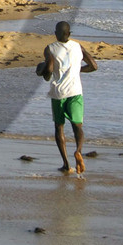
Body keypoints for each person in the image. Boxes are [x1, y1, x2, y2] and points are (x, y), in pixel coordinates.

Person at [39, 20, 97, 174]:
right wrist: (77, 70)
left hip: (58, 93)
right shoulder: (78, 47)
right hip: (75, 92)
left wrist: (43, 72)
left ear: (56, 34)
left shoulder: (50, 48)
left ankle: (66, 164)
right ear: (69, 34)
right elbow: (94, 66)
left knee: (59, 127)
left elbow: (50, 68)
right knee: (77, 125)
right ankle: (78, 150)